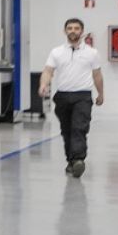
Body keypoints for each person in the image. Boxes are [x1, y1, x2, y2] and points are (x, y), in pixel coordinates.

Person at [39, 18, 105, 178]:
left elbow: (97, 75)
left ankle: (78, 160)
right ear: (65, 31)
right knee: (66, 130)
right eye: (70, 28)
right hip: (62, 96)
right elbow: (48, 71)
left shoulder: (92, 53)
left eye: (76, 28)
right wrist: (44, 84)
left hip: (83, 96)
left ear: (82, 31)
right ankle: (71, 161)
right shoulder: (56, 52)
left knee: (79, 128)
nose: (73, 31)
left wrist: (101, 94)